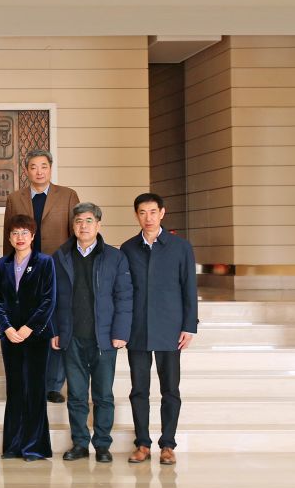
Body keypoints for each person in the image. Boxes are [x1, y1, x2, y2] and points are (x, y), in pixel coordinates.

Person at [51, 202, 133, 464]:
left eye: (88, 221)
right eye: (78, 221)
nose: (83, 226)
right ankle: (80, 443)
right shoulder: (60, 256)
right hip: (72, 336)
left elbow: (124, 297)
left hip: (104, 337)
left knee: (103, 395)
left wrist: (120, 332)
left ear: (98, 224)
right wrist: (55, 331)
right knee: (76, 395)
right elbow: (52, 298)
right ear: (72, 226)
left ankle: (102, 444)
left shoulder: (114, 257)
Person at [121, 193, 198, 466]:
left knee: (170, 390)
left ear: (162, 213)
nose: (148, 218)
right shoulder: (128, 248)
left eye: (153, 212)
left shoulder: (180, 247)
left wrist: (189, 326)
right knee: (139, 390)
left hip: (170, 328)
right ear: (136, 215)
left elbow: (189, 288)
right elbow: (123, 291)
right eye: (142, 212)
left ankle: (168, 445)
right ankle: (142, 444)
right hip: (138, 329)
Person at [2, 149, 79, 404]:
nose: (39, 171)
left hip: (57, 269)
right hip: (23, 268)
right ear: (26, 170)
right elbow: (9, 235)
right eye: (33, 167)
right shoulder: (15, 198)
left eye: (43, 166)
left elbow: (75, 234)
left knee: (54, 323)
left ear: (50, 168)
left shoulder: (68, 195)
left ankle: (53, 384)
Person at [0, 214, 56, 461]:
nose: (20, 238)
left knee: (35, 390)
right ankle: (13, 445)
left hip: (36, 336)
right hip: (10, 337)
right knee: (15, 389)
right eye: (15, 233)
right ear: (9, 238)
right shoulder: (2, 264)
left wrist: (29, 327)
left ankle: (35, 447)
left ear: (33, 236)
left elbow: (49, 300)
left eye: (24, 233)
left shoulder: (45, 262)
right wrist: (7, 328)